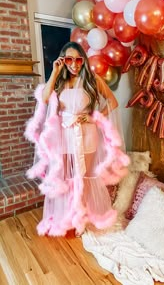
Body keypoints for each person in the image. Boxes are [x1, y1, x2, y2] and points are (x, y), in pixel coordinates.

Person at [25, 41, 129, 237]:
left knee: (84, 177)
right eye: (69, 59)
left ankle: (84, 217)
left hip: (87, 135)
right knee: (66, 178)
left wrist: (92, 117)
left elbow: (112, 102)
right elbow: (45, 98)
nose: (74, 63)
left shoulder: (92, 79)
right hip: (64, 136)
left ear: (83, 60)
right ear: (63, 61)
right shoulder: (59, 81)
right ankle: (67, 218)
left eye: (78, 59)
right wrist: (55, 71)